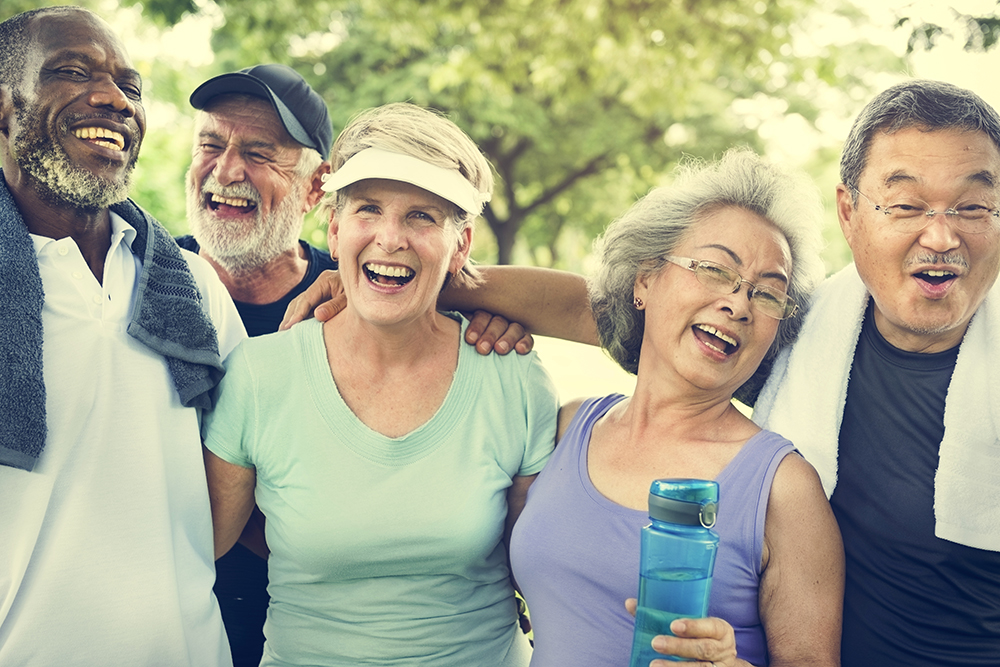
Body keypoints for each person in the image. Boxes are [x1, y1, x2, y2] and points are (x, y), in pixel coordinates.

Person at [181, 65, 537, 667]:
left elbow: (543, 563)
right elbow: (200, 534)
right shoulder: (178, 298)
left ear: (462, 242)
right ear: (337, 221)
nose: (390, 237)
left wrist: (454, 295)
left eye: (422, 216)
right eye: (369, 208)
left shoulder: (509, 370)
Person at [506, 149, 842, 666]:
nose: (738, 304)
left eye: (768, 294)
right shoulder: (570, 425)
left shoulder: (784, 488)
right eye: (713, 269)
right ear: (645, 280)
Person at [0, 6, 244, 666]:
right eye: (71, 72)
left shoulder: (193, 287)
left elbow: (250, 469)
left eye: (130, 87)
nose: (112, 99)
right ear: (3, 106)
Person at [752, 79, 1000, 666]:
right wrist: (488, 293)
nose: (941, 236)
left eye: (972, 207)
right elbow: (635, 317)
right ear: (850, 212)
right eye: (907, 205)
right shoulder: (789, 337)